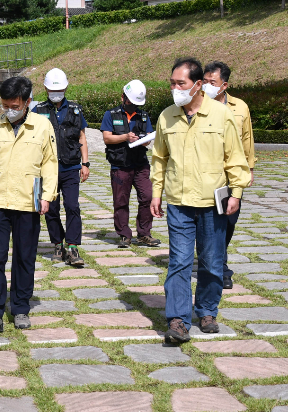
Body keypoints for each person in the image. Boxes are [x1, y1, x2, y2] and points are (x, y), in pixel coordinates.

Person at [151, 58, 250, 343]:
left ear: (197, 85)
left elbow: (235, 158)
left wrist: (237, 193)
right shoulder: (166, 116)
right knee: (179, 262)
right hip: (179, 203)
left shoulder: (222, 114)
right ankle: (178, 320)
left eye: (180, 83)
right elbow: (159, 159)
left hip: (213, 203)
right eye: (172, 83)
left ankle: (206, 311)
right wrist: (156, 193)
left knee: (210, 261)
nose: (174, 88)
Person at [0, 76, 58, 333]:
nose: (8, 110)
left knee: (24, 257)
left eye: (14, 105)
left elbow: (51, 163)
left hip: (27, 202)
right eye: (5, 105)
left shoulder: (42, 126)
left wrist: (47, 196)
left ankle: (20, 308)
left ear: (27, 101)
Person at [202, 61, 256, 290]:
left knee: (229, 221)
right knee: (210, 223)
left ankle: (216, 259)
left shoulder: (240, 107)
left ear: (224, 85)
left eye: (211, 82)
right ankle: (220, 269)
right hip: (208, 173)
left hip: (232, 175)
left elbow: (247, 140)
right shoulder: (198, 105)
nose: (206, 86)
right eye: (203, 82)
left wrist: (249, 169)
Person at [32, 68, 88, 267]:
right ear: (45, 88)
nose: (56, 92)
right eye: (52, 89)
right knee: (51, 209)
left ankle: (72, 246)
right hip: (47, 170)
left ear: (66, 88)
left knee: (72, 206)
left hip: (71, 166)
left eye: (60, 89)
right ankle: (58, 243)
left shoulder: (75, 109)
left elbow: (82, 137)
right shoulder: (37, 111)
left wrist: (85, 163)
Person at [101, 80, 160, 248]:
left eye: (136, 103)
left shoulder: (143, 115)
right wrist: (125, 137)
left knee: (147, 196)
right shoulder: (111, 114)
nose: (133, 106)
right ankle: (124, 234)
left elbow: (148, 137)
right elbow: (107, 137)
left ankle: (144, 233)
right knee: (121, 201)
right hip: (120, 165)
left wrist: (142, 140)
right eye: (131, 102)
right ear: (123, 97)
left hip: (140, 164)